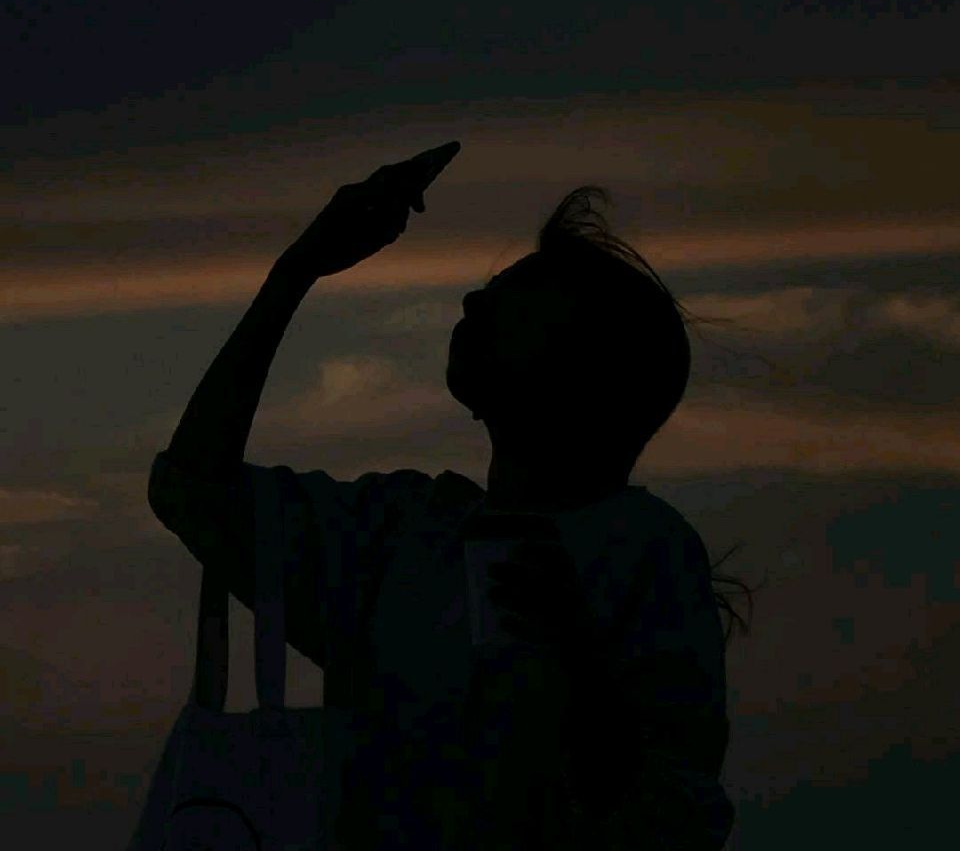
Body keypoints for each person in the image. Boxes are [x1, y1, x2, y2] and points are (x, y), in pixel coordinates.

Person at [147, 141, 744, 849]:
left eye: (521, 297)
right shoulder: (402, 533)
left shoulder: (646, 552)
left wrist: (577, 664)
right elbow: (193, 489)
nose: (474, 300)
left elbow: (674, 818)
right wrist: (299, 268)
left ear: (589, 368)